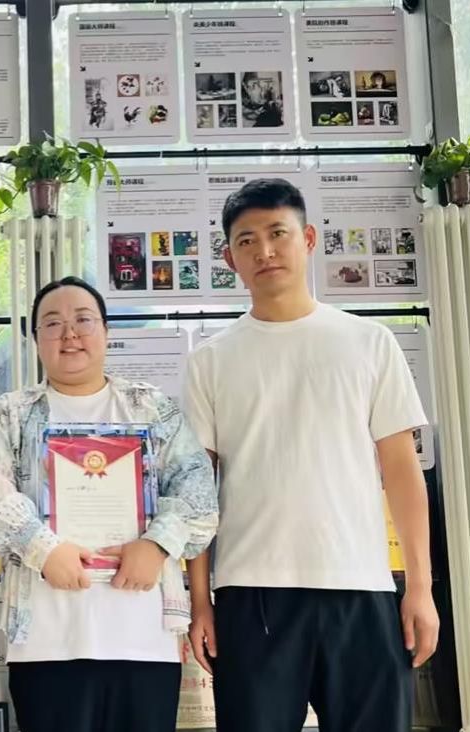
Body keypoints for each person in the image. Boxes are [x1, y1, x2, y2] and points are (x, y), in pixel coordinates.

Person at [184, 179, 439, 732]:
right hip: (251, 591)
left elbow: (402, 472)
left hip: (360, 584)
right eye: (247, 240)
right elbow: (196, 489)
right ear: (230, 259)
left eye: (278, 233)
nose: (264, 250)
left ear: (309, 239)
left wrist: (419, 587)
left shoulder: (369, 342)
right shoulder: (210, 360)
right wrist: (199, 602)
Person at [0, 276, 218, 732]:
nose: (70, 334)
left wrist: (157, 544)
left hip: (143, 637)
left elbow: (197, 486)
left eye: (83, 320)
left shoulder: (150, 408)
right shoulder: (12, 414)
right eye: (52, 323)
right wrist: (44, 549)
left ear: (105, 330)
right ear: (35, 338)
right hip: (46, 641)